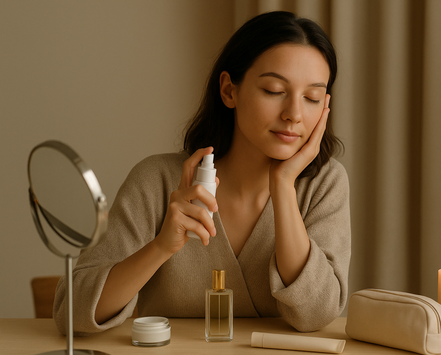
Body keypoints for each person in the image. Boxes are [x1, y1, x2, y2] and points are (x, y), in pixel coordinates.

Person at [54, 11, 351, 335]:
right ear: (229, 91)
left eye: (311, 98)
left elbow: (317, 315)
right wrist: (162, 247)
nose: (294, 114)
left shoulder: (325, 184)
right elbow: (73, 313)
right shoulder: (155, 180)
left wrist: (282, 185)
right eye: (274, 90)